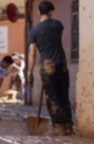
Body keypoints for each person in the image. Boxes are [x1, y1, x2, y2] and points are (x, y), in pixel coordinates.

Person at [27, 0, 74, 135]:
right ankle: (69, 126)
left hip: (48, 66)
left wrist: (29, 72)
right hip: (62, 64)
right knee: (64, 95)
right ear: (51, 12)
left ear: (38, 12)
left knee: (52, 97)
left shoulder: (35, 30)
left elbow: (32, 54)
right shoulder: (58, 25)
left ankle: (58, 127)